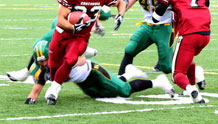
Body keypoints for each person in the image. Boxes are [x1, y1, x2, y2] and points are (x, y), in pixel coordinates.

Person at [45, 0, 126, 105]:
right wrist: (74, 27)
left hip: (82, 35)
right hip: (63, 32)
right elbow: (60, 20)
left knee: (70, 60)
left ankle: (54, 89)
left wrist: (120, 15)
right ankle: (55, 80)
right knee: (53, 63)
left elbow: (120, 2)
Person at [24, 41, 175, 104]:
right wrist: (31, 99)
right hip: (83, 83)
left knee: (124, 90)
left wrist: (69, 64)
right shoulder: (40, 69)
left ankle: (158, 82)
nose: (43, 64)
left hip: (93, 72)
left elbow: (82, 60)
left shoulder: (62, 56)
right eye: (40, 62)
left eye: (45, 60)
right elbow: (38, 86)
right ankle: (127, 73)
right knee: (105, 94)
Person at [152, 0, 212, 103]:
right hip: (205, 32)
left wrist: (157, 18)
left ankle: (191, 90)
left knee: (177, 74)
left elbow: (158, 12)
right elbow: (206, 4)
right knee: (187, 58)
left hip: (189, 32)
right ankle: (188, 88)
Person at [118, 0, 174, 78]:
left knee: (166, 67)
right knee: (130, 49)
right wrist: (121, 13)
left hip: (164, 27)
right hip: (147, 26)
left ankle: (191, 71)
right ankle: (120, 79)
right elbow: (130, 1)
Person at [6, 17, 98, 82]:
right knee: (42, 50)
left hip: (76, 27)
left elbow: (98, 10)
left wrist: (95, 24)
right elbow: (38, 44)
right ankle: (27, 71)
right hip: (66, 24)